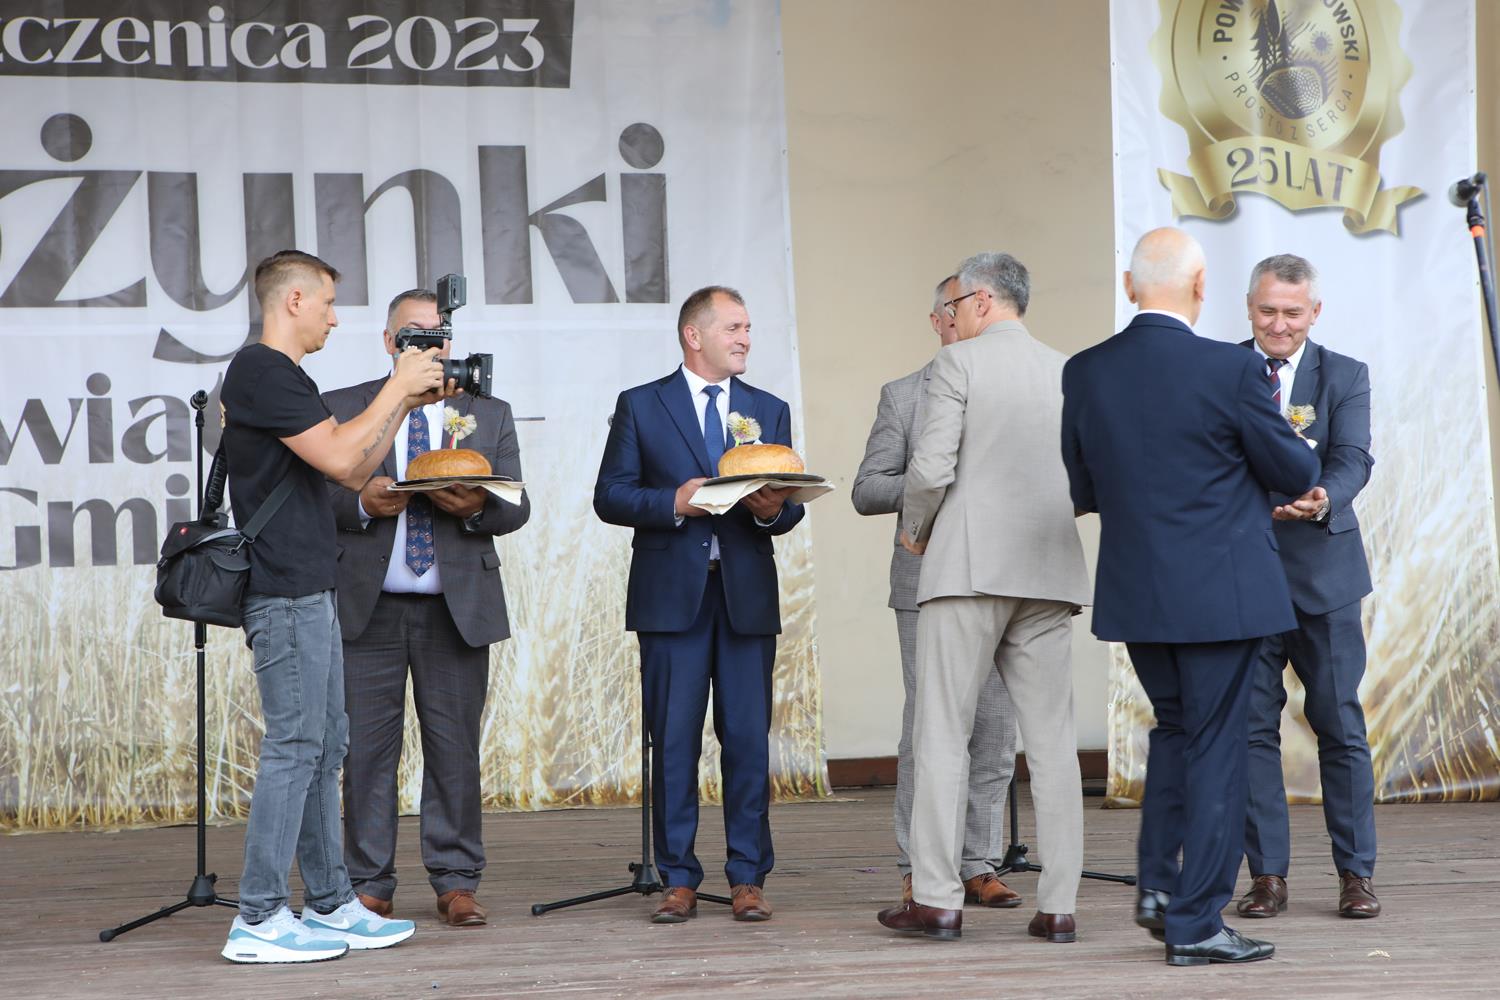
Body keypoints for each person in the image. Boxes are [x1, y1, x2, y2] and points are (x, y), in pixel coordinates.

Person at [1059, 228, 1320, 966]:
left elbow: (1081, 485)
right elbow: (1295, 469)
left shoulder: (1086, 369)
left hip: (1139, 590)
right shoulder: (1231, 368)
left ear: (1129, 285)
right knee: (1217, 749)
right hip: (1222, 596)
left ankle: (1159, 887)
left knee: (1175, 731)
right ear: (1203, 288)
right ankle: (1197, 920)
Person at [219, 250, 436, 963]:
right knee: (293, 747)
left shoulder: (285, 376)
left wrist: (403, 399)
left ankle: (331, 901)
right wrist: (398, 383)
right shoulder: (262, 371)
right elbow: (344, 460)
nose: (335, 320)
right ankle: (258, 917)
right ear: (294, 301)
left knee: (326, 746)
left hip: (313, 586)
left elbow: (353, 462)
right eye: (328, 304)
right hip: (284, 591)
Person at [875, 252, 1090, 942]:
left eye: (953, 306)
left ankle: (937, 900)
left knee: (941, 733)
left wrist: (915, 532)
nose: (950, 318)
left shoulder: (956, 364)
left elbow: (930, 468)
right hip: (1049, 569)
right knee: (1053, 744)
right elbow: (1088, 476)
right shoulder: (1069, 370)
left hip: (966, 568)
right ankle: (1058, 907)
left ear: (981, 301)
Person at [594, 285, 805, 924]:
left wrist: (772, 512)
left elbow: (788, 509)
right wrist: (674, 502)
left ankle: (748, 877)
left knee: (746, 741)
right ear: (695, 335)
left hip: (745, 599)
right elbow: (610, 495)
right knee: (674, 741)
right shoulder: (641, 404)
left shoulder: (769, 408)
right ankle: (679, 878)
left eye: (748, 328)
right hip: (670, 599)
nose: (745, 338)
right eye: (734, 327)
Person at [323, 289, 531, 928]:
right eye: (413, 334)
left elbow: (516, 505)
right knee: (365, 755)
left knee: (454, 750)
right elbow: (314, 499)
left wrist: (476, 508)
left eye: (437, 334)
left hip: (455, 610)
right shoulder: (345, 407)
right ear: (389, 343)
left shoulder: (487, 412)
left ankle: (457, 881)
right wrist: (362, 504)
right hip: (367, 609)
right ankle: (368, 884)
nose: (428, 344)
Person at [851, 274, 1021, 910]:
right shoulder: (904, 395)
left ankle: (978, 862)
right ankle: (921, 869)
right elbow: (867, 489)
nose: (968, 318)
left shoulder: (1010, 386)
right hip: (925, 583)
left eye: (975, 307)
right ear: (938, 320)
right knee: (931, 729)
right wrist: (934, 479)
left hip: (1001, 580)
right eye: (956, 308)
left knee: (995, 729)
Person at [1233, 254, 1380, 920]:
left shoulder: (1346, 374)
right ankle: (1267, 877)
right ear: (1249, 307)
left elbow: (1353, 457)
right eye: (1268, 310)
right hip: (1243, 577)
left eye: (1293, 312)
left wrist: (1323, 496)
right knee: (1251, 732)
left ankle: (1356, 875)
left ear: (1314, 313)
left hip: (1325, 576)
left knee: (1339, 724)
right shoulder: (1220, 371)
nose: (1279, 324)